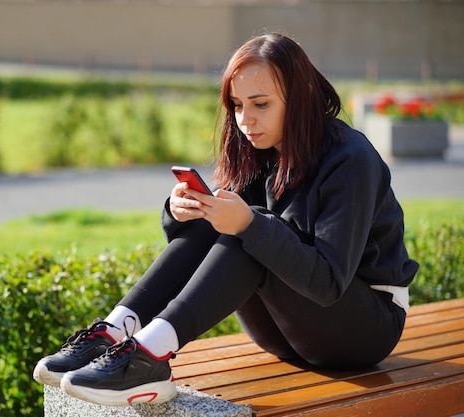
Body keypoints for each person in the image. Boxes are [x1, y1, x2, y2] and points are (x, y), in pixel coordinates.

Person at [32, 32, 418, 407]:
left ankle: (148, 358)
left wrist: (251, 226)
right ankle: (114, 332)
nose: (245, 120)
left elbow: (330, 282)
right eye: (236, 104)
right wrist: (181, 211)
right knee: (223, 218)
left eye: (261, 104)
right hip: (285, 329)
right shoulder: (259, 150)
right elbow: (209, 245)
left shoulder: (350, 158)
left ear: (300, 97)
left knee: (252, 230)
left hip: (364, 329)